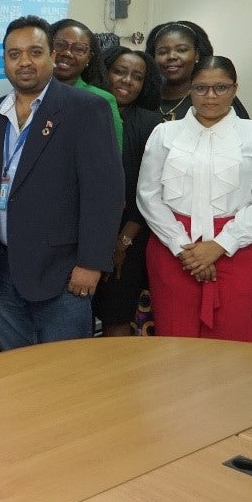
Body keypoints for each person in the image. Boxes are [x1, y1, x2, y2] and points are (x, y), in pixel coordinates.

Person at [0, 15, 124, 350]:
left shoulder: (86, 109)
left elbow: (105, 193)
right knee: (17, 371)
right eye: (14, 54)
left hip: (64, 272)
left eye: (34, 52)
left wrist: (91, 262)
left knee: (64, 375)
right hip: (3, 270)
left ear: (52, 56)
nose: (24, 61)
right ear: (4, 62)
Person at [138, 56, 252, 342]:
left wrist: (220, 245)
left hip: (240, 250)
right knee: (175, 341)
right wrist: (183, 248)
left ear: (234, 88)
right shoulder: (165, 133)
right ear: (190, 89)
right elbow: (148, 195)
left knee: (234, 344)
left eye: (220, 87)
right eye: (201, 88)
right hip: (174, 249)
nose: (210, 96)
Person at [94, 47, 164, 336]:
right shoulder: (86, 110)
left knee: (117, 315)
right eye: (119, 71)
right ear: (104, 72)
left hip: (130, 233)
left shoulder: (151, 123)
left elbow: (151, 186)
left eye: (137, 76)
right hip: (83, 232)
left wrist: (123, 241)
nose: (127, 81)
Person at [147, 21, 250, 121]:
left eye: (182, 50)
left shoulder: (217, 98)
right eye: (163, 52)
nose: (172, 56)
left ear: (197, 54)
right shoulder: (144, 98)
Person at [48, 18, 123, 150]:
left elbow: (111, 158)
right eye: (60, 45)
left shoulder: (102, 100)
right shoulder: (31, 93)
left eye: (78, 49)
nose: (67, 53)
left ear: (89, 58)